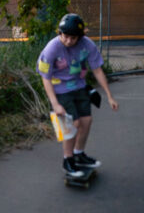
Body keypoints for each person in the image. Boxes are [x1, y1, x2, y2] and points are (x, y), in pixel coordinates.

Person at [37, 13, 119, 177]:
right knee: (72, 124)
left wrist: (109, 96)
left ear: (80, 37)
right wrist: (55, 104)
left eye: (73, 38)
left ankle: (78, 154)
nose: (68, 41)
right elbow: (45, 78)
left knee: (86, 121)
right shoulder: (52, 48)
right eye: (65, 36)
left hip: (79, 87)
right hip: (60, 89)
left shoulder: (87, 45)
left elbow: (97, 70)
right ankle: (68, 160)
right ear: (60, 33)